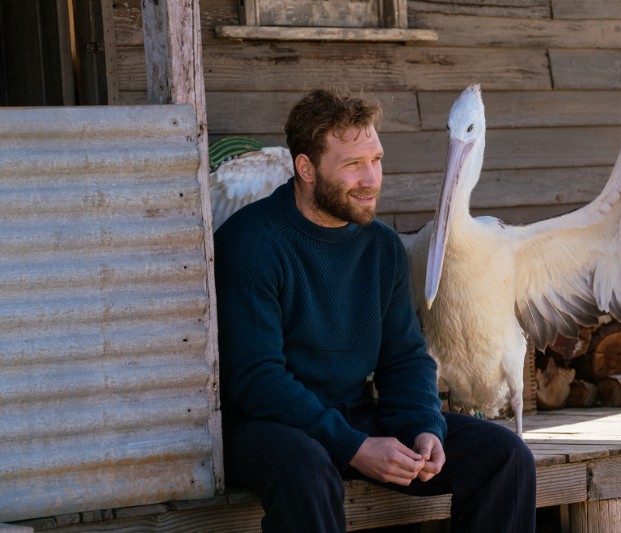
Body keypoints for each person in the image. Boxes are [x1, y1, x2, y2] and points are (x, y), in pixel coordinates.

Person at [214, 88, 536, 532]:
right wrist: (355, 447)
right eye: (352, 165)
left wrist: (425, 428)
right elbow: (257, 381)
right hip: (264, 426)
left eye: (376, 160)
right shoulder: (252, 243)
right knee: (309, 471)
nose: (371, 179)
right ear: (305, 168)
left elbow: (403, 357)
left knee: (506, 456)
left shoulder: (381, 247)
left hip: (353, 417)